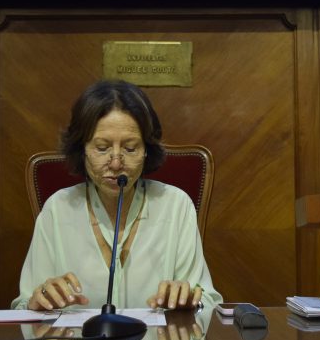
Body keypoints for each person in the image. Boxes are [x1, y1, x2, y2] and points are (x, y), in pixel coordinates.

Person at [12, 80, 221, 313]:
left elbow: (209, 302)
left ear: (146, 151)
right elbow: (24, 306)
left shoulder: (175, 205)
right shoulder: (58, 208)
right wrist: (36, 302)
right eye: (102, 148)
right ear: (82, 150)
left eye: (130, 148)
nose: (115, 163)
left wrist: (192, 302)